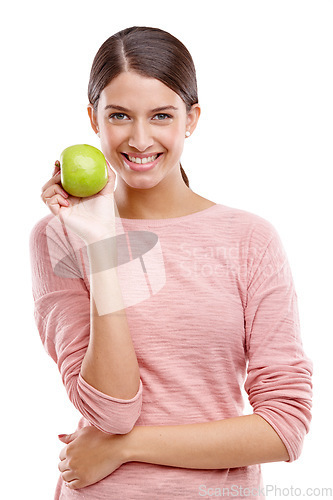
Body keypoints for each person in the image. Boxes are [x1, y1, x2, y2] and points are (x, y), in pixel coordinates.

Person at [30, 26, 313, 499]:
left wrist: (126, 448)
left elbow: (284, 427)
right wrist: (101, 242)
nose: (140, 139)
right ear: (93, 119)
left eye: (161, 115)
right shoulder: (59, 236)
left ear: (192, 118)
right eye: (119, 115)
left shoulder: (249, 240)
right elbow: (113, 411)